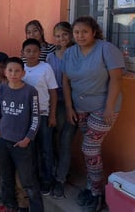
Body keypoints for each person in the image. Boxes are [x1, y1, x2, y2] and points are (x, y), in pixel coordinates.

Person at [62, 16, 124, 212]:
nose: (80, 36)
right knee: (92, 150)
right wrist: (70, 107)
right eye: (76, 32)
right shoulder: (70, 52)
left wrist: (109, 107)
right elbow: (65, 82)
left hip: (103, 108)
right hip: (80, 108)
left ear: (94, 32)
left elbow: (116, 80)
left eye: (84, 32)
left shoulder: (106, 49)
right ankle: (91, 188)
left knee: (89, 148)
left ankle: (97, 192)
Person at [0, 57, 44, 212]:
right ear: (5, 72)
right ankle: (10, 205)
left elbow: (36, 117)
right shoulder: (1, 88)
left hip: (22, 144)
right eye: (10, 70)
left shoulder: (30, 91)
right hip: (3, 140)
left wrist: (28, 138)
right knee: (6, 177)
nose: (13, 74)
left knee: (27, 180)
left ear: (23, 73)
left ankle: (34, 208)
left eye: (17, 71)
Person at [22, 38, 58, 195]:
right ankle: (33, 179)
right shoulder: (20, 68)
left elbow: (53, 92)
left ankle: (46, 181)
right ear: (23, 52)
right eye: (28, 51)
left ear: (40, 53)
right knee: (30, 149)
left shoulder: (46, 68)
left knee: (45, 149)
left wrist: (52, 115)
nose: (31, 54)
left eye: (35, 51)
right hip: (25, 116)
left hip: (42, 114)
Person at [46, 22, 77, 199]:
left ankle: (61, 180)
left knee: (66, 141)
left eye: (65, 35)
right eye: (58, 36)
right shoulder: (50, 57)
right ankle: (59, 171)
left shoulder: (76, 54)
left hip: (72, 103)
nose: (61, 39)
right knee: (53, 141)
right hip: (54, 102)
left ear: (71, 35)